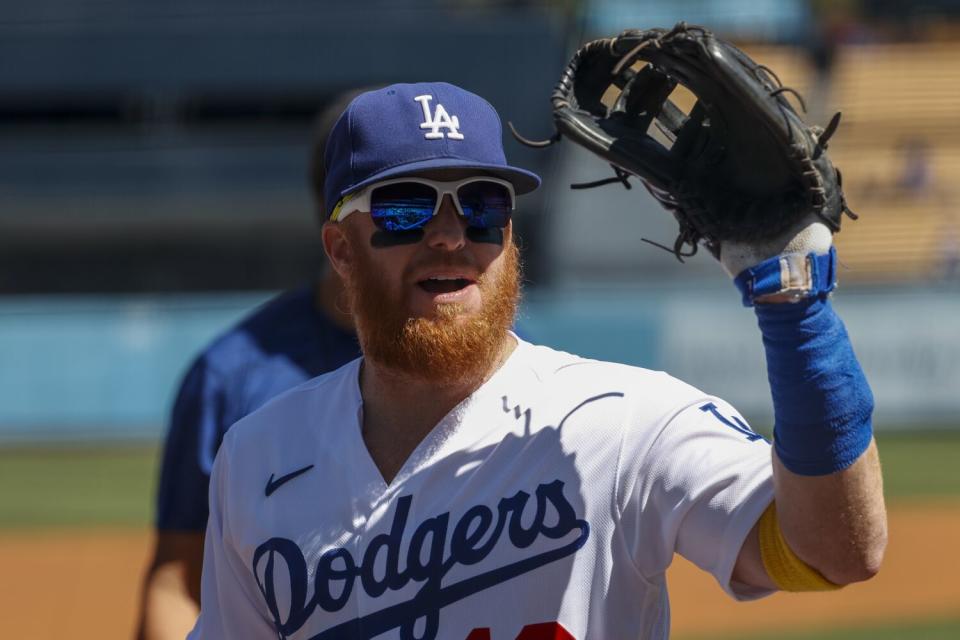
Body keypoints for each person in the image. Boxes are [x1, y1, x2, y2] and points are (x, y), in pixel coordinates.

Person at [187, 82, 887, 639]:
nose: (451, 235)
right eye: (406, 209)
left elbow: (837, 550)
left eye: (482, 206)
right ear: (341, 248)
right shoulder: (259, 455)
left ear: (511, 234)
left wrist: (797, 309)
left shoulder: (621, 423)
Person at [135, 92, 364, 640]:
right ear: (332, 227)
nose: (442, 232)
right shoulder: (230, 376)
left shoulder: (508, 363)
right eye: (402, 206)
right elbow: (178, 581)